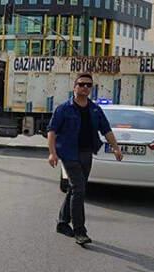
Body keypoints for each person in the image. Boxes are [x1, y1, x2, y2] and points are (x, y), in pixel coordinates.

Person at [47, 73, 123, 245]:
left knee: (75, 189)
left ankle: (62, 222)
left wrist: (116, 148)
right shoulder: (64, 109)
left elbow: (106, 130)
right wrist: (52, 153)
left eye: (89, 85)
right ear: (74, 87)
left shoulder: (95, 109)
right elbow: (52, 131)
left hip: (86, 153)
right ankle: (79, 231)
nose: (85, 88)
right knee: (79, 189)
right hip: (68, 153)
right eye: (81, 84)